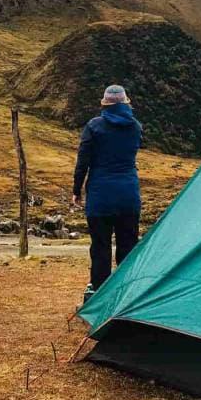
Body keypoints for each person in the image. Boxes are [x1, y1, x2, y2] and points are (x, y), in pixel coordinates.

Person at [72, 85, 143, 302]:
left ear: (105, 103)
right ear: (126, 103)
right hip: (128, 195)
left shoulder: (94, 126)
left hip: (100, 196)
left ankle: (99, 298)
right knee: (128, 246)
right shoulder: (136, 127)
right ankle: (126, 297)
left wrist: (76, 190)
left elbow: (83, 161)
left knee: (101, 246)